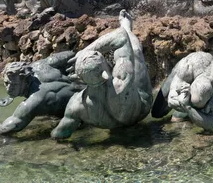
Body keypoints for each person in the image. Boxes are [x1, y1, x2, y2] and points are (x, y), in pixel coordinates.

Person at [51, 10, 153, 139]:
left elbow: (59, 133)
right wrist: (87, 50)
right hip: (142, 109)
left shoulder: (76, 105)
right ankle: (126, 26)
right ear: (106, 71)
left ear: (80, 78)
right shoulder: (121, 80)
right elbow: (121, 37)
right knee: (135, 51)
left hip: (109, 122)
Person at [0, 51, 84, 135]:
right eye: (6, 83)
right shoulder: (40, 65)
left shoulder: (34, 100)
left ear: (25, 80)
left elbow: (2, 130)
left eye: (14, 85)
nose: (9, 88)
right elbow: (71, 54)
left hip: (84, 107)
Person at [151, 51, 213, 130]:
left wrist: (188, 107)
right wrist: (182, 98)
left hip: (208, 75)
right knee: (156, 112)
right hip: (184, 70)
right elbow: (171, 100)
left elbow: (210, 124)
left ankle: (189, 113)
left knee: (178, 116)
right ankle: (190, 109)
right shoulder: (186, 67)